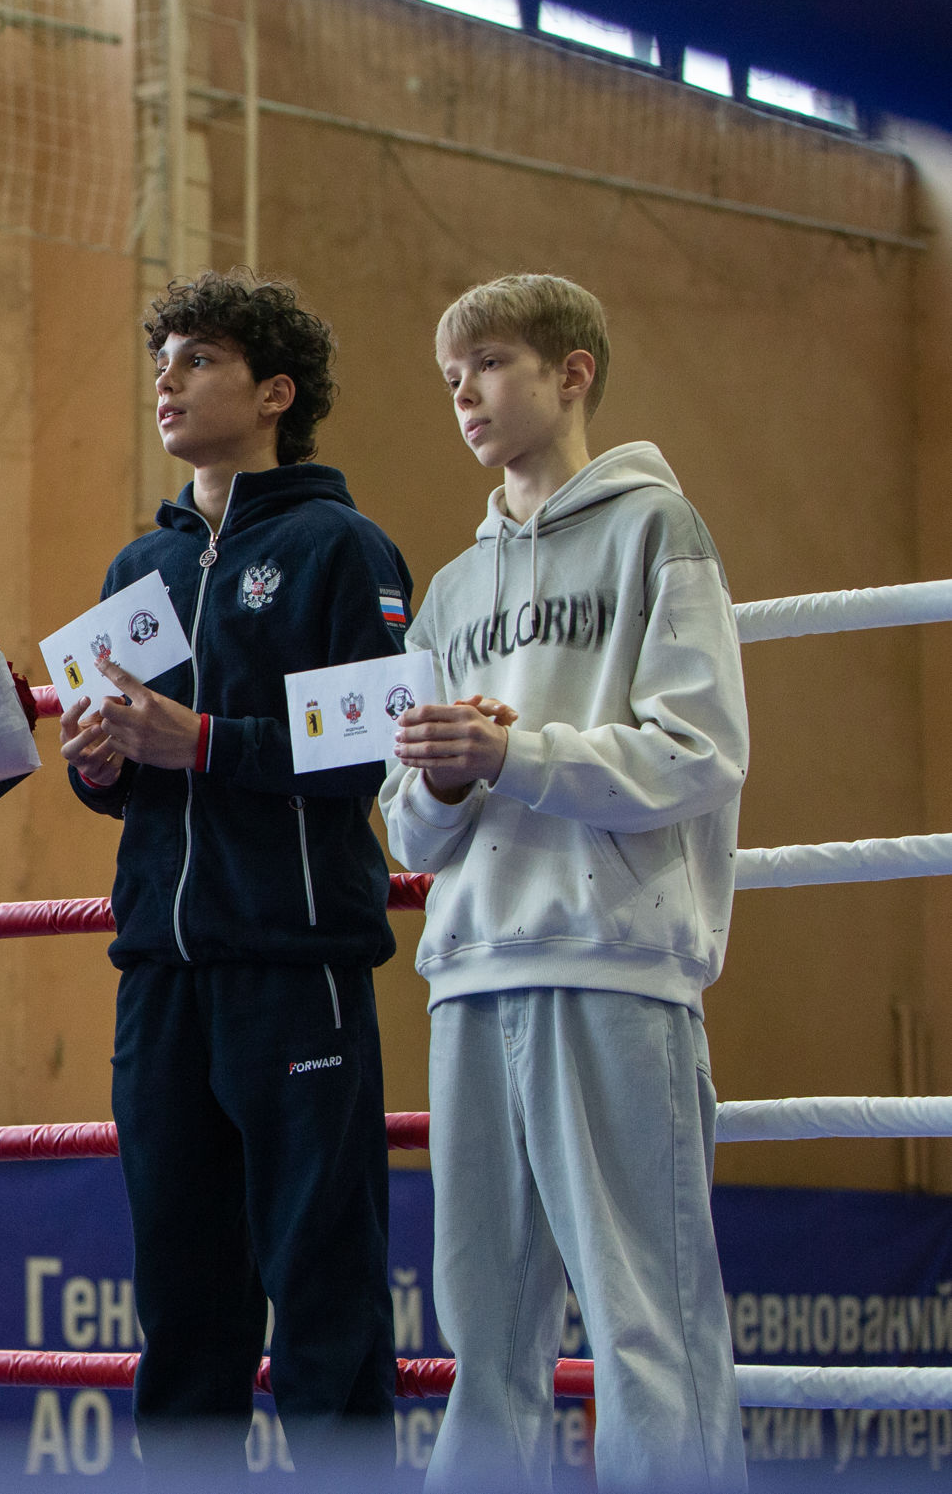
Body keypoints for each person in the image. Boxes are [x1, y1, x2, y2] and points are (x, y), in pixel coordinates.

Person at [383, 274, 749, 1493]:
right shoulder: (447, 590)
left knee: (646, 1325)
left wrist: (514, 753)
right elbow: (408, 833)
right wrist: (444, 781)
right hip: (467, 974)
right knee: (482, 1347)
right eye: (450, 379)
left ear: (571, 371)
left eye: (487, 365)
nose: (463, 397)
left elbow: (699, 754)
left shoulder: (658, 529)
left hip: (613, 964)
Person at [60, 272, 411, 1480]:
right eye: (159, 356)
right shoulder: (138, 565)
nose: (165, 377)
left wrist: (200, 739)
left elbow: (370, 743)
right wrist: (98, 760)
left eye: (197, 356)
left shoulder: (338, 547)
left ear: (274, 393)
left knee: (321, 1294)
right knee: (181, 1300)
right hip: (159, 972)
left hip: (294, 967)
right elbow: (114, 778)